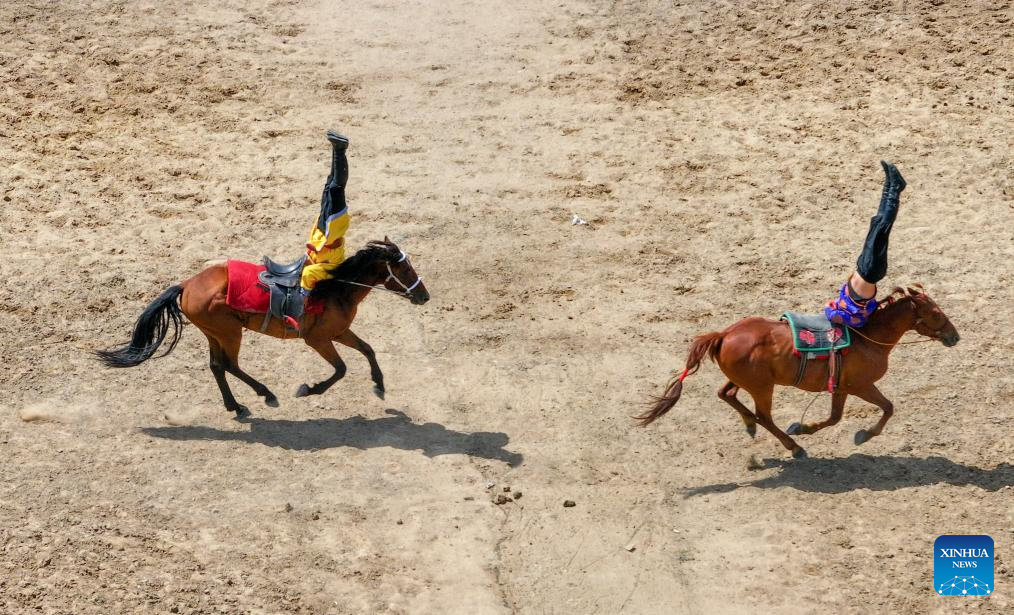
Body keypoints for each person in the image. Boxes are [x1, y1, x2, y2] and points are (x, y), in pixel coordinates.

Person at [824, 161, 906, 327]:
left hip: (864, 268)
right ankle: (895, 189)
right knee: (882, 227)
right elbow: (832, 315)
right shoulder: (856, 319)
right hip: (870, 270)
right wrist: (830, 308)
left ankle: (889, 185)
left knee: (877, 223)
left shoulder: (856, 310)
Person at [285, 130, 351, 328]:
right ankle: (338, 150)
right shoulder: (329, 268)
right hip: (331, 227)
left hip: (328, 228)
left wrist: (304, 294)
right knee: (333, 186)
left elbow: (309, 274)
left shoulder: (324, 271)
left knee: (332, 187)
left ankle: (339, 150)